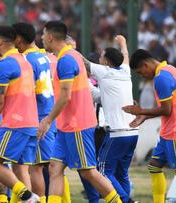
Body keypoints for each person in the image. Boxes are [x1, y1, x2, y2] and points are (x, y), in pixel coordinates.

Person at [38, 21, 121, 203]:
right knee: (54, 168)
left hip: (77, 124)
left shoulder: (67, 59)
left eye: (43, 34)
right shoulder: (71, 56)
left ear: (51, 36)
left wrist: (47, 120)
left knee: (88, 171)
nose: (42, 38)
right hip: (66, 125)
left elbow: (66, 96)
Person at [123, 49, 176, 203]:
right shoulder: (170, 69)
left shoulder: (161, 78)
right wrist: (144, 116)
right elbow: (168, 108)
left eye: (140, 72)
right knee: (154, 166)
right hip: (168, 131)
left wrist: (142, 110)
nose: (142, 76)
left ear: (146, 64)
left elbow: (167, 110)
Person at [0, 25, 40, 203]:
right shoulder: (24, 61)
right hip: (30, 123)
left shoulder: (5, 64)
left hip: (16, 124)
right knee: (21, 169)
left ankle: (29, 197)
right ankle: (29, 199)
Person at [83, 35, 138, 203]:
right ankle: (126, 198)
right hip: (133, 133)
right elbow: (126, 57)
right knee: (122, 173)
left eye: (101, 56)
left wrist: (66, 49)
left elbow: (84, 63)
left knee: (102, 172)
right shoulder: (125, 71)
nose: (99, 59)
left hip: (117, 134)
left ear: (106, 62)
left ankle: (125, 201)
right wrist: (123, 43)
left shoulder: (104, 72)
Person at [11, 22, 56, 203]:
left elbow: (27, 92)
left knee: (34, 168)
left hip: (37, 117)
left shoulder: (27, 60)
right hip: (47, 113)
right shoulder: (43, 56)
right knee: (38, 167)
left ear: (19, 39)